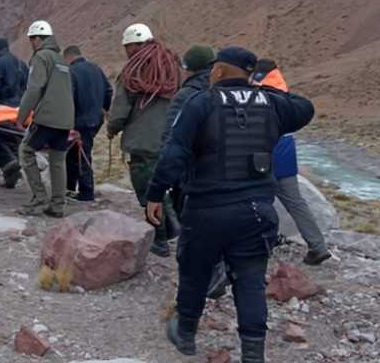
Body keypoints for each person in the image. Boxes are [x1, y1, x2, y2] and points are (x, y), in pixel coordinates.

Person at [146, 47, 315, 363]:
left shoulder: (202, 103)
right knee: (250, 281)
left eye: (214, 70)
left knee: (194, 273)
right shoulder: (271, 104)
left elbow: (174, 153)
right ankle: (253, 354)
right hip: (257, 211)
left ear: (220, 71)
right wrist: (259, 90)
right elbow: (304, 107)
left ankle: (185, 335)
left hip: (207, 209)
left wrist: (155, 193)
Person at [106, 23, 181, 257]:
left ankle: (160, 239)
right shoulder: (171, 68)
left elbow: (120, 110)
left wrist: (112, 128)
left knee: (147, 190)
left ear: (134, 45)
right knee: (164, 185)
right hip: (170, 138)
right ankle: (174, 229)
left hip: (143, 141)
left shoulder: (133, 72)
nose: (127, 51)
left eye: (128, 46)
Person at [251, 58, 331, 265]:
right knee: (295, 202)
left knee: (258, 201)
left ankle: (262, 244)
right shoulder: (286, 95)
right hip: (286, 151)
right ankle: (318, 246)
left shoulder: (258, 95)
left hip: (263, 153)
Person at [15, 20, 74, 218]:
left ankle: (39, 197)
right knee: (58, 159)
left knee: (25, 151)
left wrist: (21, 116)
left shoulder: (41, 57)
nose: (31, 43)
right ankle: (58, 204)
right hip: (65, 119)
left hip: (47, 117)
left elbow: (34, 89)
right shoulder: (61, 60)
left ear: (40, 38)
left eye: (32, 39)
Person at [63, 45, 112, 202]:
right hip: (96, 119)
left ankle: (86, 192)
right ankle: (70, 187)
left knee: (80, 154)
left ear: (68, 58)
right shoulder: (96, 68)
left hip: (79, 120)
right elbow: (109, 90)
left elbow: (68, 97)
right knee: (75, 153)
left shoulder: (72, 72)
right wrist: (104, 108)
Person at [0, 38, 29, 188]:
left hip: (2, 111)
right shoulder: (22, 64)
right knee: (14, 142)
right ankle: (12, 178)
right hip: (20, 111)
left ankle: (10, 167)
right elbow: (28, 88)